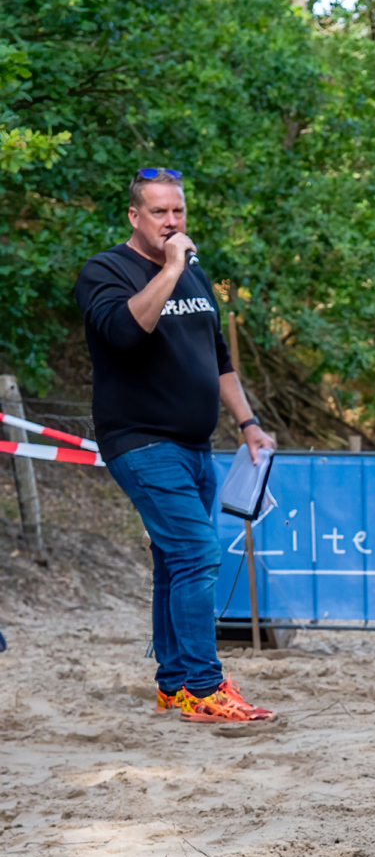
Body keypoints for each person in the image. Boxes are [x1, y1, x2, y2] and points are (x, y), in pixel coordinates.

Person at [76, 168, 276, 723]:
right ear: (134, 216)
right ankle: (205, 687)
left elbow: (218, 359)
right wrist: (168, 268)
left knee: (174, 561)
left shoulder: (194, 273)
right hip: (141, 441)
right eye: (159, 212)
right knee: (197, 553)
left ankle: (174, 684)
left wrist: (248, 422)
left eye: (178, 212)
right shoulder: (105, 271)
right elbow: (122, 331)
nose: (171, 222)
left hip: (195, 443)